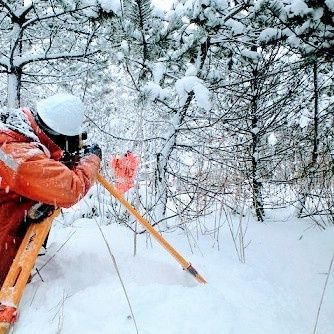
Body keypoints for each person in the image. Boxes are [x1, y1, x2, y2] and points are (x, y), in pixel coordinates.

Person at [0, 93, 102, 287]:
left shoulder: (18, 130)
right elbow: (70, 189)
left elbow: (43, 161)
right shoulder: (19, 155)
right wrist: (91, 159)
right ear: (56, 134)